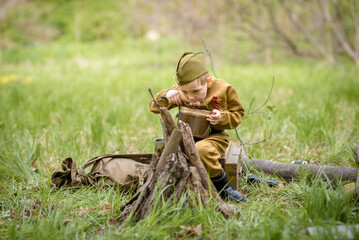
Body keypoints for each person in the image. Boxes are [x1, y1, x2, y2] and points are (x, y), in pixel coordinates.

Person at [149, 52, 246, 203]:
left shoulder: (224, 89)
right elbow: (153, 106)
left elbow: (238, 114)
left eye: (195, 91)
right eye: (185, 92)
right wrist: (168, 94)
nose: (190, 97)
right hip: (186, 138)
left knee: (201, 150)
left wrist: (221, 117)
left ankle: (224, 187)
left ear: (207, 81)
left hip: (215, 137)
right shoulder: (180, 92)